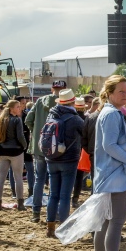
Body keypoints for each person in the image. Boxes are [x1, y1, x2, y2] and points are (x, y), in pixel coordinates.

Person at [93, 76, 126, 251]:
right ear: (110, 93)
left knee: (105, 222)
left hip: (107, 173)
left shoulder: (108, 112)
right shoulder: (112, 114)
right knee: (115, 222)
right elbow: (110, 145)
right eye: (122, 91)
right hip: (116, 173)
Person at [44, 88, 84, 237]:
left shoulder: (51, 115)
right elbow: (85, 134)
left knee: (53, 194)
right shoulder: (75, 119)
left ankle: (50, 227)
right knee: (65, 195)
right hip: (69, 160)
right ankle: (64, 228)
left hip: (52, 158)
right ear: (73, 102)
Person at [26, 80, 67, 223]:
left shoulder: (39, 101)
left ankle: (36, 212)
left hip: (40, 146)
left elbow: (28, 120)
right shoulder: (63, 103)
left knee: (39, 179)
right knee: (55, 181)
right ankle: (53, 213)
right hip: (56, 149)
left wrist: (37, 133)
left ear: (52, 89)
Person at [0, 100, 28, 211]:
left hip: (2, 150)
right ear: (12, 108)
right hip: (15, 150)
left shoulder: (0, 120)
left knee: (1, 178)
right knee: (18, 178)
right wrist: (25, 146)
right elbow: (20, 136)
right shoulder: (17, 120)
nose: (20, 108)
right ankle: (20, 204)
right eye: (17, 107)